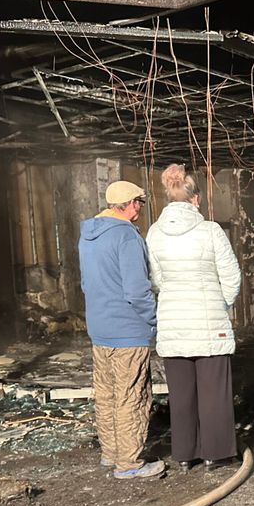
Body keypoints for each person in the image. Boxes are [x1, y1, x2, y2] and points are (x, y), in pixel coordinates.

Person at [146, 165, 241, 472]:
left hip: (173, 325)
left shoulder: (154, 233)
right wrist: (221, 304)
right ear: (195, 199)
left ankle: (186, 454)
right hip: (210, 326)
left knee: (182, 395)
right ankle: (217, 453)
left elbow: (156, 280)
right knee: (214, 392)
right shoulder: (210, 231)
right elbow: (232, 276)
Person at [79, 180, 165, 480]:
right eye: (139, 202)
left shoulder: (88, 235)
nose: (140, 207)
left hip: (99, 328)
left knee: (107, 393)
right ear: (130, 204)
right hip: (128, 330)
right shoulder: (126, 236)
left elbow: (86, 283)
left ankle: (111, 452)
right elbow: (137, 291)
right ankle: (128, 463)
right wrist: (156, 320)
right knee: (133, 396)